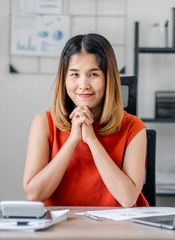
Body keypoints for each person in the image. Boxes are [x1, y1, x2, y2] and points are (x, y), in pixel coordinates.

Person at [23, 33, 148, 207]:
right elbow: (34, 194)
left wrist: (91, 140)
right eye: (74, 74)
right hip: (63, 229)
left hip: (116, 230)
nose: (83, 84)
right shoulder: (44, 123)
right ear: (64, 79)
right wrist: (73, 139)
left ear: (108, 78)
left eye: (93, 74)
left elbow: (128, 199)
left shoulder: (134, 127)